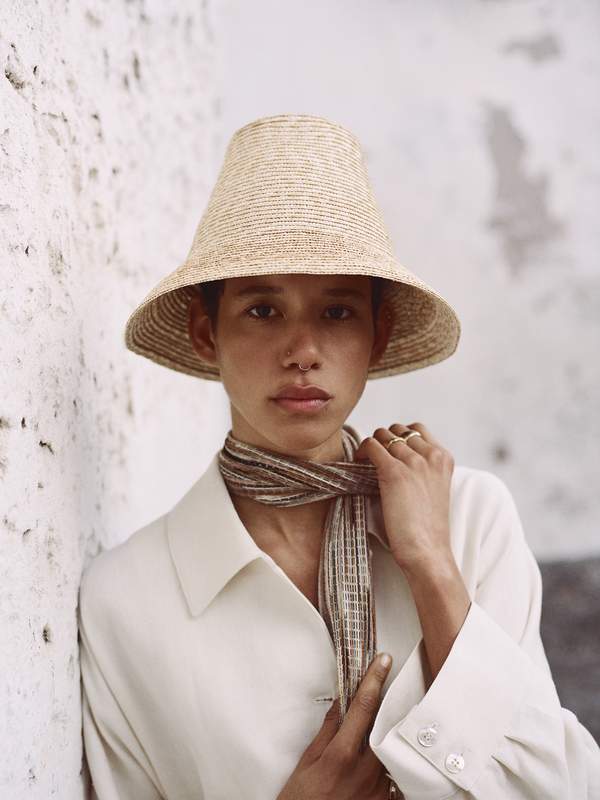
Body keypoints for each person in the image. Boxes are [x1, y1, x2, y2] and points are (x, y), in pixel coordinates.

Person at [78, 113, 600, 800]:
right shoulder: (126, 601)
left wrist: (431, 563)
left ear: (377, 336)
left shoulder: (470, 519)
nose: (303, 351)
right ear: (207, 335)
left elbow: (562, 788)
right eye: (263, 311)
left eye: (337, 312)